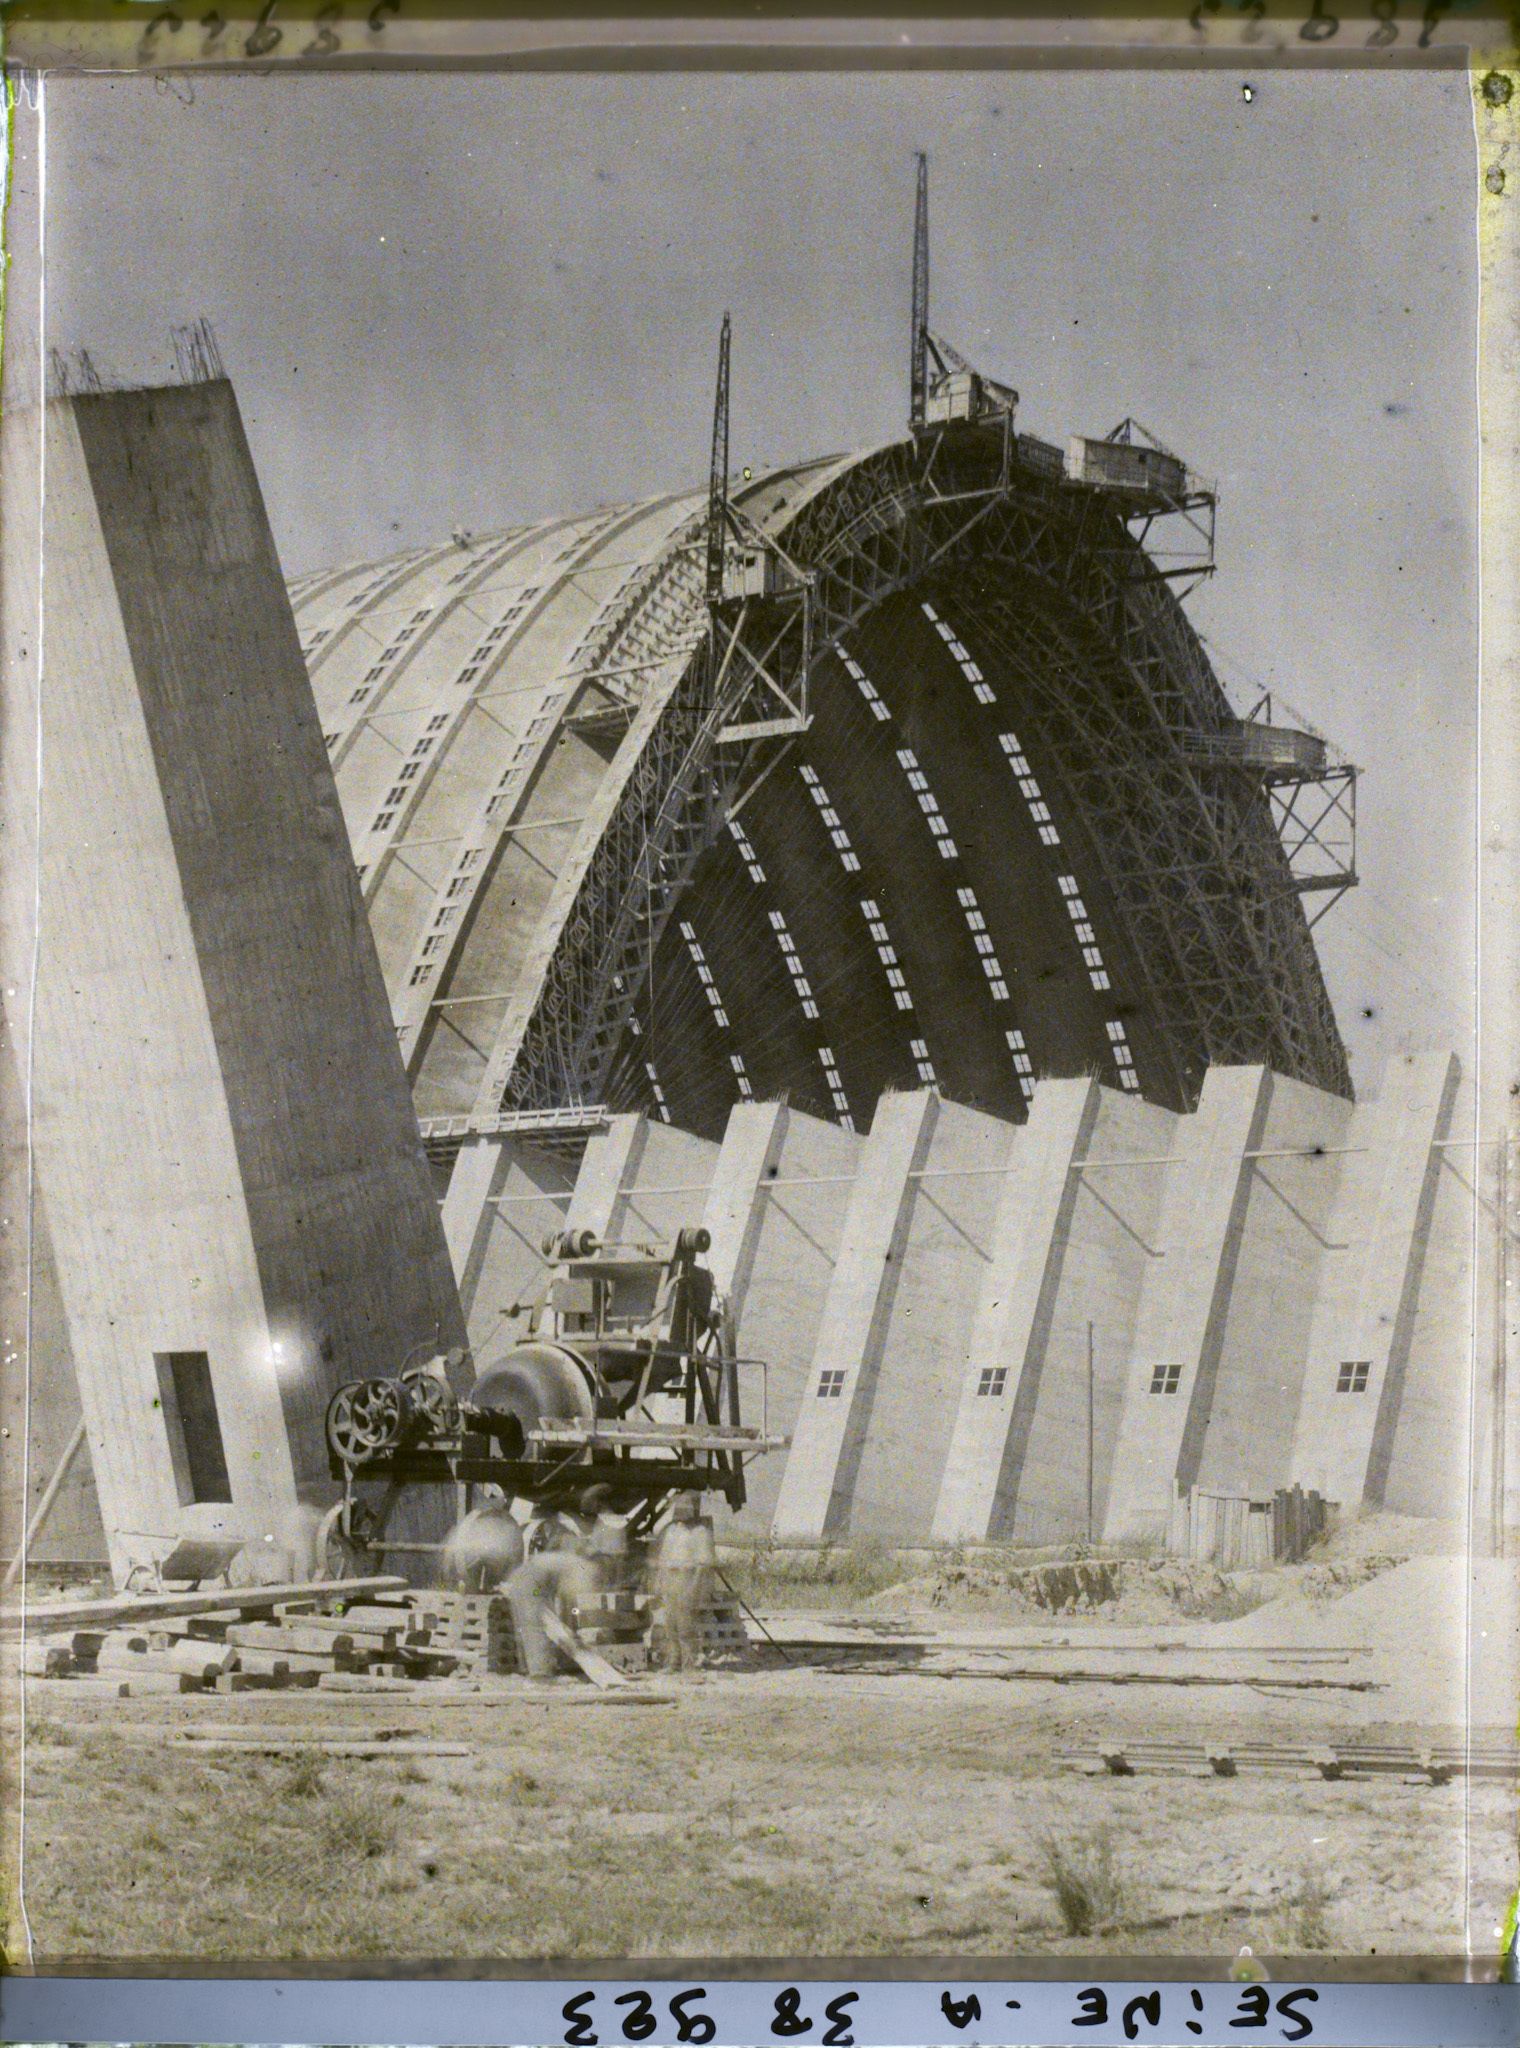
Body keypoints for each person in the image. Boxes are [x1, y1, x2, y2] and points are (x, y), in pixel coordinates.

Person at [652, 1492, 716, 1674]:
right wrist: (659, 1581)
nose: (682, 1510)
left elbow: (702, 1565)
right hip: (670, 1580)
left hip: (687, 1579)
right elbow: (663, 1559)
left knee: (686, 1626)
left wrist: (693, 1588)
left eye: (686, 1506)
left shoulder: (700, 1532)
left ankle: (690, 1664)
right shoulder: (671, 1531)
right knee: (670, 1625)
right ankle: (674, 1663)